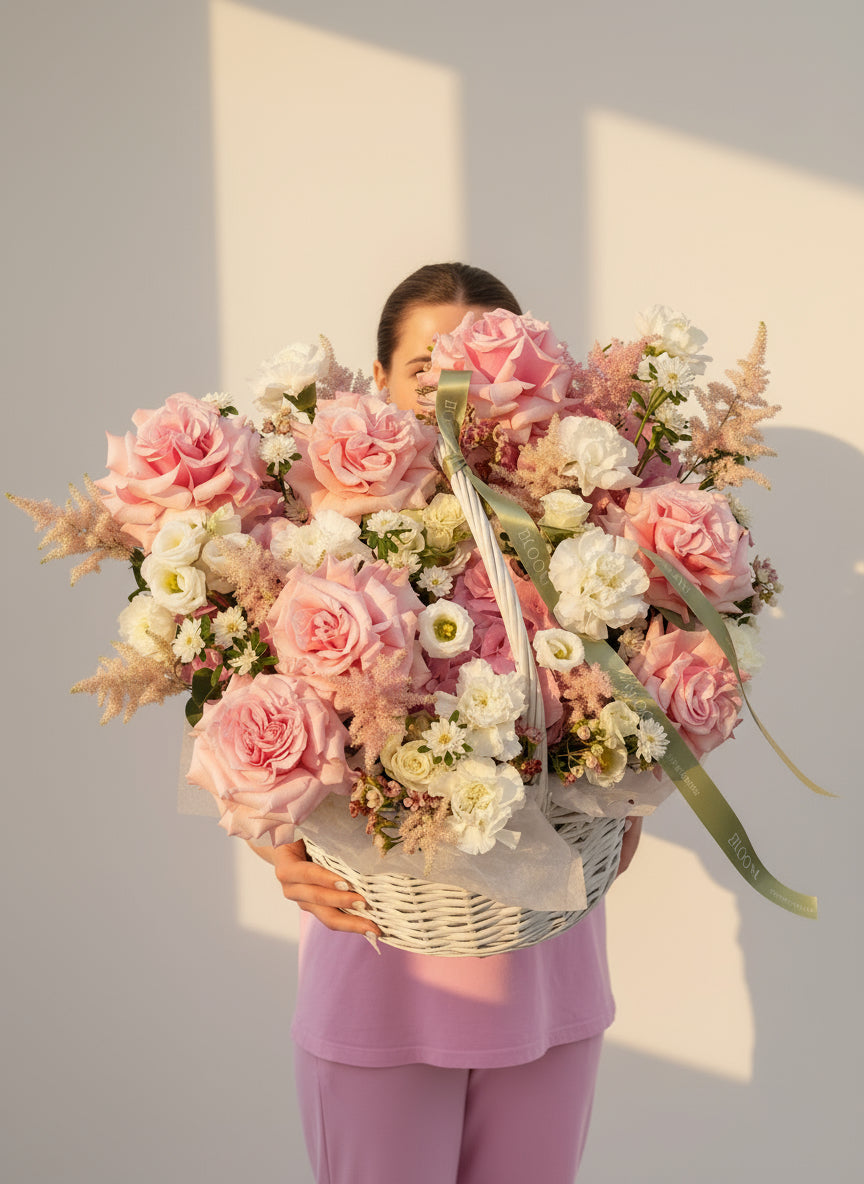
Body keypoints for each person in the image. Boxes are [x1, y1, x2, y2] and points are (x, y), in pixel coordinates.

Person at [246, 263, 643, 1184]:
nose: (452, 383)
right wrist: (277, 847)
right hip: (379, 971)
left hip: (547, 977)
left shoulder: (579, 529)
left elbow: (639, 709)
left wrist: (628, 798)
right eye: (426, 364)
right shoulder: (310, 536)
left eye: (480, 358)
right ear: (377, 383)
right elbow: (254, 721)